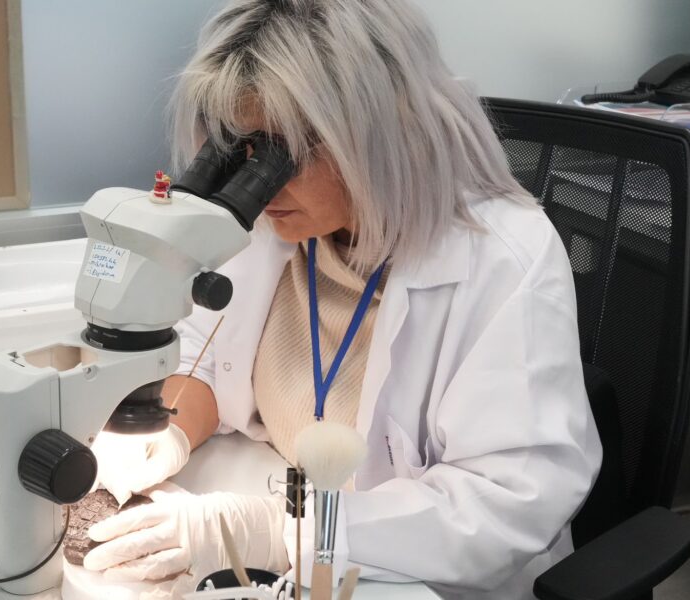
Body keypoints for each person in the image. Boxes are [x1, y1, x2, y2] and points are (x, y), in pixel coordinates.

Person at [85, 0, 602, 598]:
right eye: (236, 149)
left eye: (277, 153)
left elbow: (504, 501)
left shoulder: (505, 257)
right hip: (282, 521)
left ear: (380, 136)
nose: (257, 183)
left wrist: (279, 531)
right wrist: (163, 433)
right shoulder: (269, 224)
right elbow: (203, 354)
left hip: (421, 577)